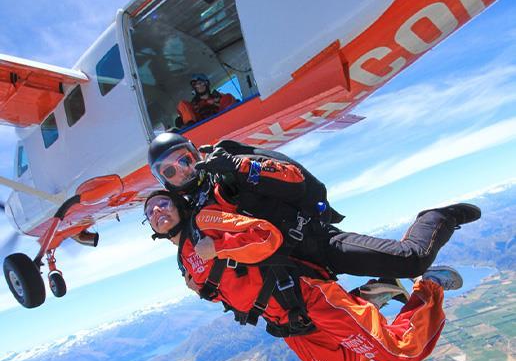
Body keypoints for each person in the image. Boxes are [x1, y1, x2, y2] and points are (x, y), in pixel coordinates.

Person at [143, 191, 462, 361]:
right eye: (150, 212)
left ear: (178, 205)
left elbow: (264, 237)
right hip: (285, 320)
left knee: (402, 353)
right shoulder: (185, 262)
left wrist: (219, 245)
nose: (156, 211)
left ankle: (428, 287)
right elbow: (229, 290)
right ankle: (370, 297)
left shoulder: (205, 221)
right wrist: (202, 289)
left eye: (161, 203)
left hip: (303, 294)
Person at [147, 133, 481, 281]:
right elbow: (186, 241)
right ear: (166, 182)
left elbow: (294, 180)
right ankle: (381, 287)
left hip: (318, 242)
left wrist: (239, 166)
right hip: (292, 267)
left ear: (195, 152)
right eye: (171, 171)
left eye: (185, 160)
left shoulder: (228, 168)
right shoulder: (197, 211)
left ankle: (439, 217)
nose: (183, 171)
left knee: (412, 261)